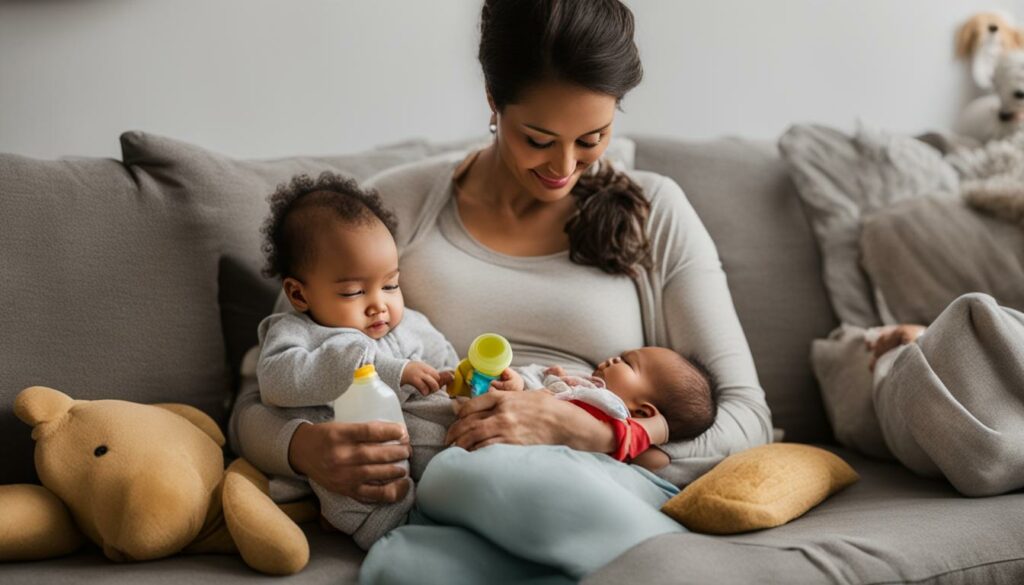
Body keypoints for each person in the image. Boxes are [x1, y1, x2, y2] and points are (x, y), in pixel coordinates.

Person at [230, 0, 773, 581]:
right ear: (493, 99)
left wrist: (598, 434)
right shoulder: (388, 213)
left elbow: (746, 418)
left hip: (586, 478)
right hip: (440, 476)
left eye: (594, 138)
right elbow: (254, 401)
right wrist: (304, 449)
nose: (565, 166)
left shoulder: (656, 211)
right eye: (538, 138)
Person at [254, 172, 460, 549]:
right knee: (370, 491)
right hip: (369, 483)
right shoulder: (294, 332)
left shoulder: (412, 324)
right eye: (353, 291)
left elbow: (448, 366)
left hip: (445, 453)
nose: (379, 304)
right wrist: (389, 371)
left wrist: (468, 380)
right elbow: (276, 381)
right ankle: (394, 534)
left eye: (391, 284)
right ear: (298, 294)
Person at [503, 347, 717, 469]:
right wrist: (524, 383)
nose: (615, 358)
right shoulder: (589, 389)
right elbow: (543, 399)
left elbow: (654, 461)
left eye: (628, 363)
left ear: (643, 412)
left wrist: (651, 434)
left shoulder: (617, 421)